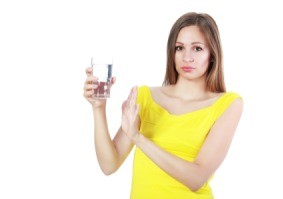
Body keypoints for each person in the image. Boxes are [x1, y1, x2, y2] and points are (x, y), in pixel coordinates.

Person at [83, 12, 243, 199]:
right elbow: (109, 165)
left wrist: (137, 137)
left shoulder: (228, 104)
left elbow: (196, 178)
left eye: (197, 49)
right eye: (179, 48)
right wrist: (98, 108)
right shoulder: (145, 97)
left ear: (212, 54)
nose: (187, 57)